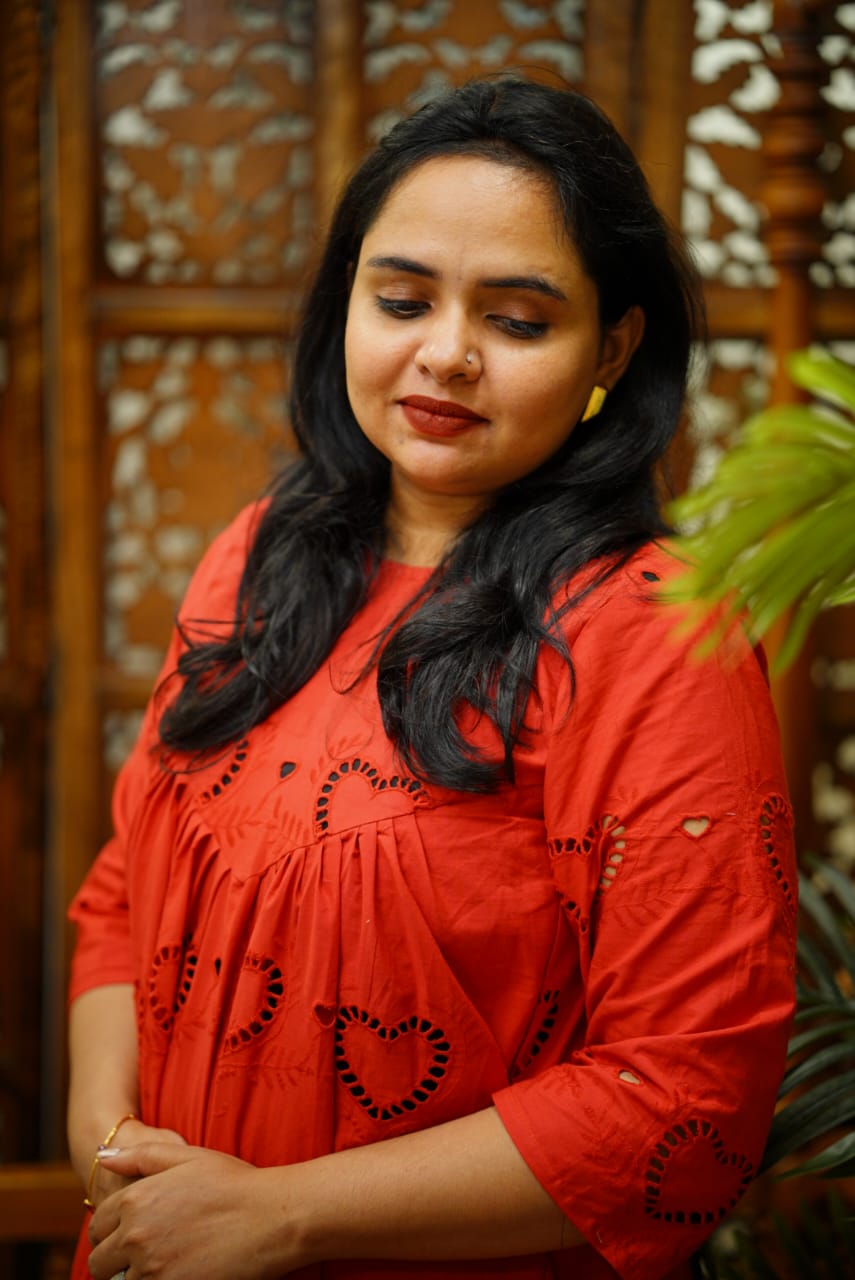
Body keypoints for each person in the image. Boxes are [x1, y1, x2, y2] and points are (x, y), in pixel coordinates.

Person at [68, 77, 797, 1280]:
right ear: (346, 303)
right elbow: (121, 902)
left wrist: (279, 1215)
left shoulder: (657, 633)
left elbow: (685, 1095)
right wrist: (114, 1155)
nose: (444, 354)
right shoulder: (259, 558)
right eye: (401, 300)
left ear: (613, 347)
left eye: (516, 321)